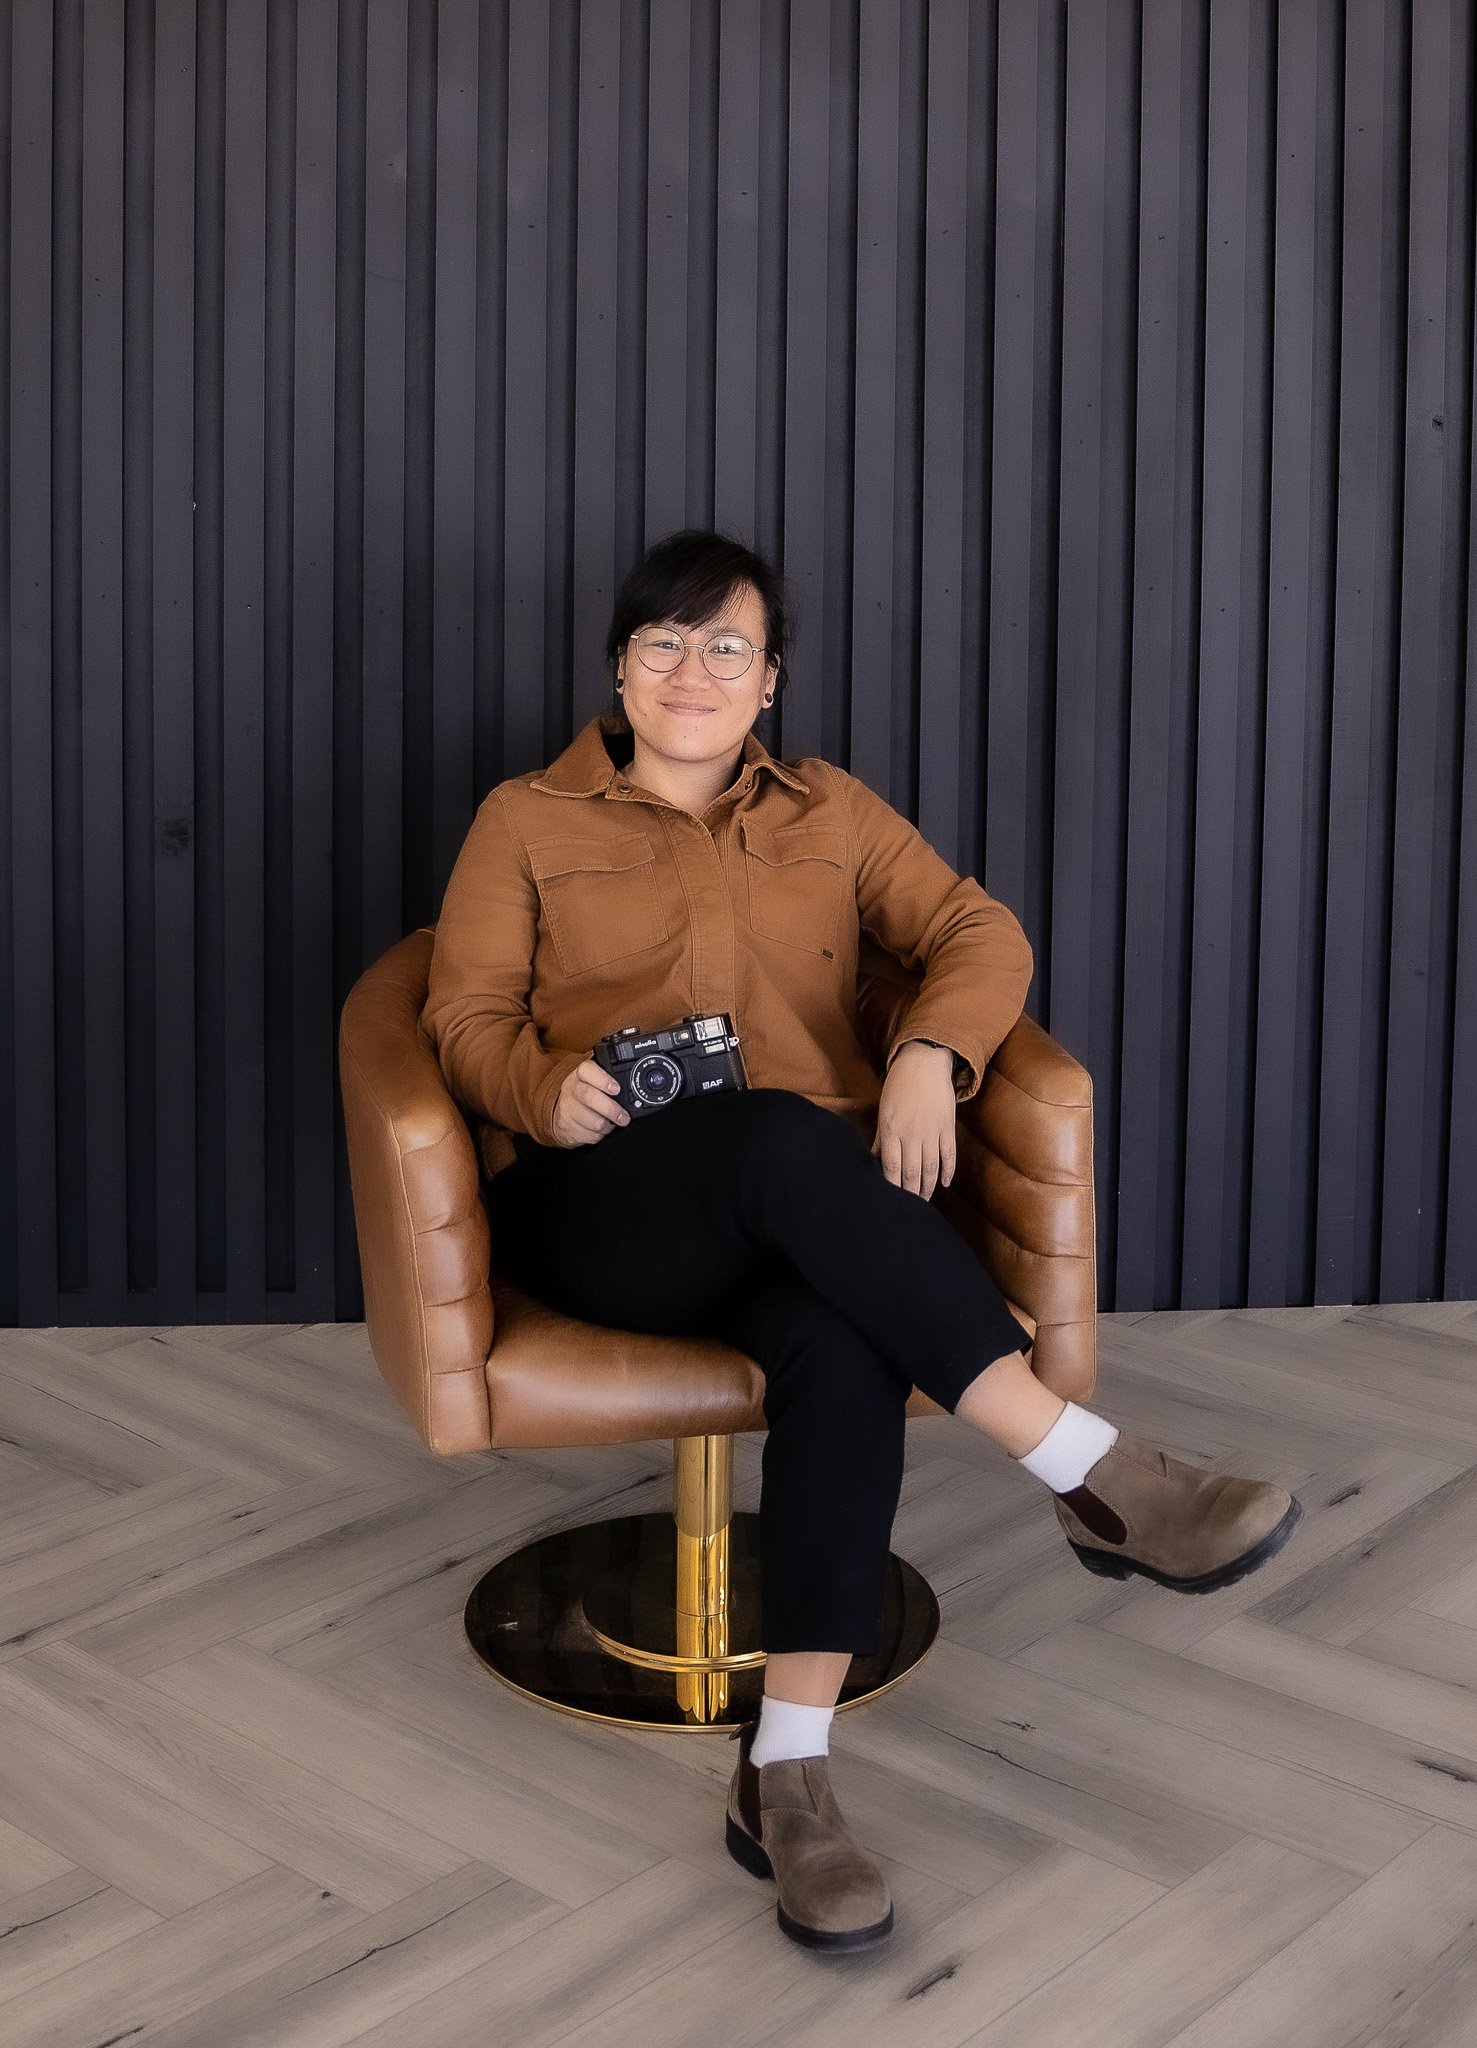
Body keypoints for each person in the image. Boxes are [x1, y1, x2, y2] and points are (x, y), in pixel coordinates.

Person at [422, 527, 1302, 1954]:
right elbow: (458, 1020)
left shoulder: (828, 809)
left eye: (726, 646)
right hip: (607, 1207)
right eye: (663, 643)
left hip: (805, 1217)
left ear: (766, 681)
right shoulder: (524, 820)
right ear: (617, 670)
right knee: (778, 1136)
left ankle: (784, 1777)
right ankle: (1085, 1466)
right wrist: (539, 1088)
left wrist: (927, 1059)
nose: (692, 670)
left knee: (839, 1332)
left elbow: (976, 933)